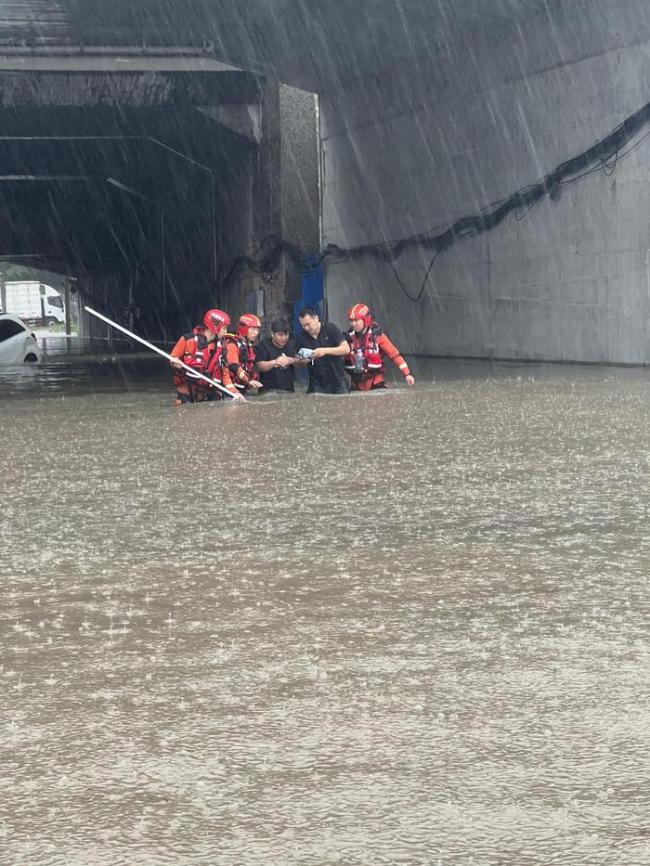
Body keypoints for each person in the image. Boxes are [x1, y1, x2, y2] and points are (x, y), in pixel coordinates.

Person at [344, 303, 415, 391]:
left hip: (375, 382)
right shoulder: (346, 338)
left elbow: (394, 355)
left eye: (357, 320)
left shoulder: (378, 336)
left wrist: (407, 374)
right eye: (351, 320)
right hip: (356, 383)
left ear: (366, 319)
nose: (353, 324)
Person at [170, 308, 235, 405]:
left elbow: (225, 375)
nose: (226, 332)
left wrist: (235, 393)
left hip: (208, 392)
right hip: (187, 391)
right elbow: (172, 358)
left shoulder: (222, 347)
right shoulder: (187, 339)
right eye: (224, 328)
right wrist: (175, 363)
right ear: (215, 326)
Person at [294, 306, 350, 394]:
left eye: (308, 324)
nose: (306, 328)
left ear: (316, 318)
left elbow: (346, 349)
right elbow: (298, 358)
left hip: (337, 381)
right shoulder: (301, 337)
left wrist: (324, 351)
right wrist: (302, 360)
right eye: (303, 326)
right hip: (317, 384)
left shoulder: (330, 328)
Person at [221, 313, 264, 395]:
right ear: (244, 329)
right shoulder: (232, 344)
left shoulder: (248, 345)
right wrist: (249, 380)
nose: (256, 333)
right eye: (253, 329)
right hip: (229, 389)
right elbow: (233, 365)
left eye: (257, 329)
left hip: (242, 388)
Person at [254, 317, 297, 392]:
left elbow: (302, 361)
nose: (284, 338)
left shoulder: (292, 344)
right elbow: (259, 366)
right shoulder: (263, 345)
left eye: (286, 335)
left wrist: (290, 360)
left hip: (288, 390)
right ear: (272, 334)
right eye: (280, 335)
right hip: (267, 391)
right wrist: (275, 362)